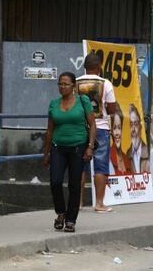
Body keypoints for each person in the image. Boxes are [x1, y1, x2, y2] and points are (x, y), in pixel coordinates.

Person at [43, 72, 95, 233]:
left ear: (73, 86)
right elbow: (50, 130)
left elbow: (92, 124)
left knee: (74, 184)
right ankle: (61, 213)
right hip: (58, 147)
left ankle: (71, 220)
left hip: (78, 147)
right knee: (56, 182)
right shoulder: (53, 104)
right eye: (60, 84)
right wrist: (46, 153)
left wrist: (90, 146)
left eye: (66, 84)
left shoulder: (83, 101)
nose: (62, 87)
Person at [77, 52, 116, 213]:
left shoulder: (76, 83)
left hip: (80, 128)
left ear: (85, 67)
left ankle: (77, 204)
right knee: (100, 166)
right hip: (100, 128)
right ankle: (99, 204)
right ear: (99, 67)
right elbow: (112, 108)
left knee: (79, 167)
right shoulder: (105, 83)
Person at [127, 104, 150, 173]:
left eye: (136, 124)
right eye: (131, 124)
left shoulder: (148, 153)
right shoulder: (127, 155)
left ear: (140, 127)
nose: (133, 129)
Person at [110, 103, 131, 175]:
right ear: (111, 131)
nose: (117, 133)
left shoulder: (127, 159)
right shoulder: (107, 157)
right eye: (114, 128)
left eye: (119, 128)